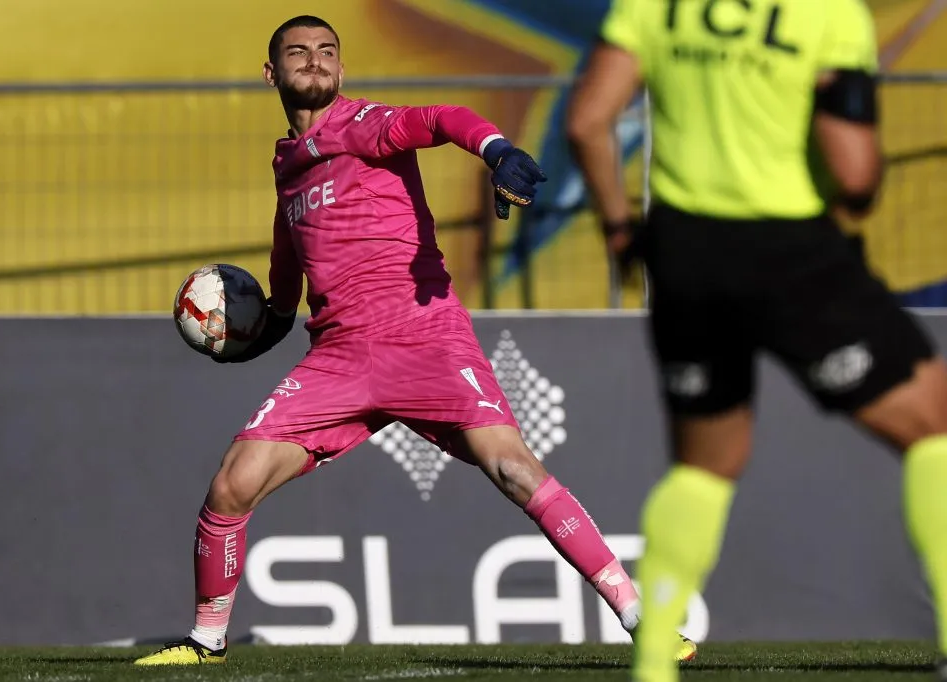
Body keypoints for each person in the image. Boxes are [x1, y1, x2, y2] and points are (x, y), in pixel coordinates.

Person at [134, 14, 697, 666]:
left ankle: (642, 619)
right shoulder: (289, 167)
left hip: (423, 337)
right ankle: (206, 643)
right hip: (340, 356)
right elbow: (286, 267)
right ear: (272, 73)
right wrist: (267, 327)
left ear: (341, 70)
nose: (314, 61)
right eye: (298, 52)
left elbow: (443, 117)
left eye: (326, 52)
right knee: (233, 485)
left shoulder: (363, 124)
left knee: (515, 471)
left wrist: (497, 151)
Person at [565, 1, 947, 680]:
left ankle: (655, 661)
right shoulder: (828, 14)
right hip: (790, 248)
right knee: (931, 426)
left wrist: (621, 231)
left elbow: (588, 121)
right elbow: (855, 176)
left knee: (703, 469)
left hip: (684, 253)